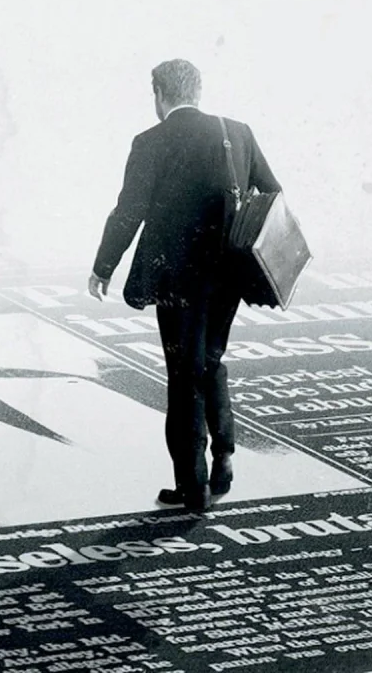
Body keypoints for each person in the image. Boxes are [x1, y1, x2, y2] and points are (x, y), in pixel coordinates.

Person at [88, 59, 282, 511]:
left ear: (159, 94)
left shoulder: (150, 141)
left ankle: (192, 486)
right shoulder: (237, 132)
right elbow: (272, 192)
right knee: (211, 361)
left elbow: (129, 211)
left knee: (183, 374)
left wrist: (103, 266)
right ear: (197, 91)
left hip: (177, 280)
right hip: (229, 274)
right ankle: (224, 458)